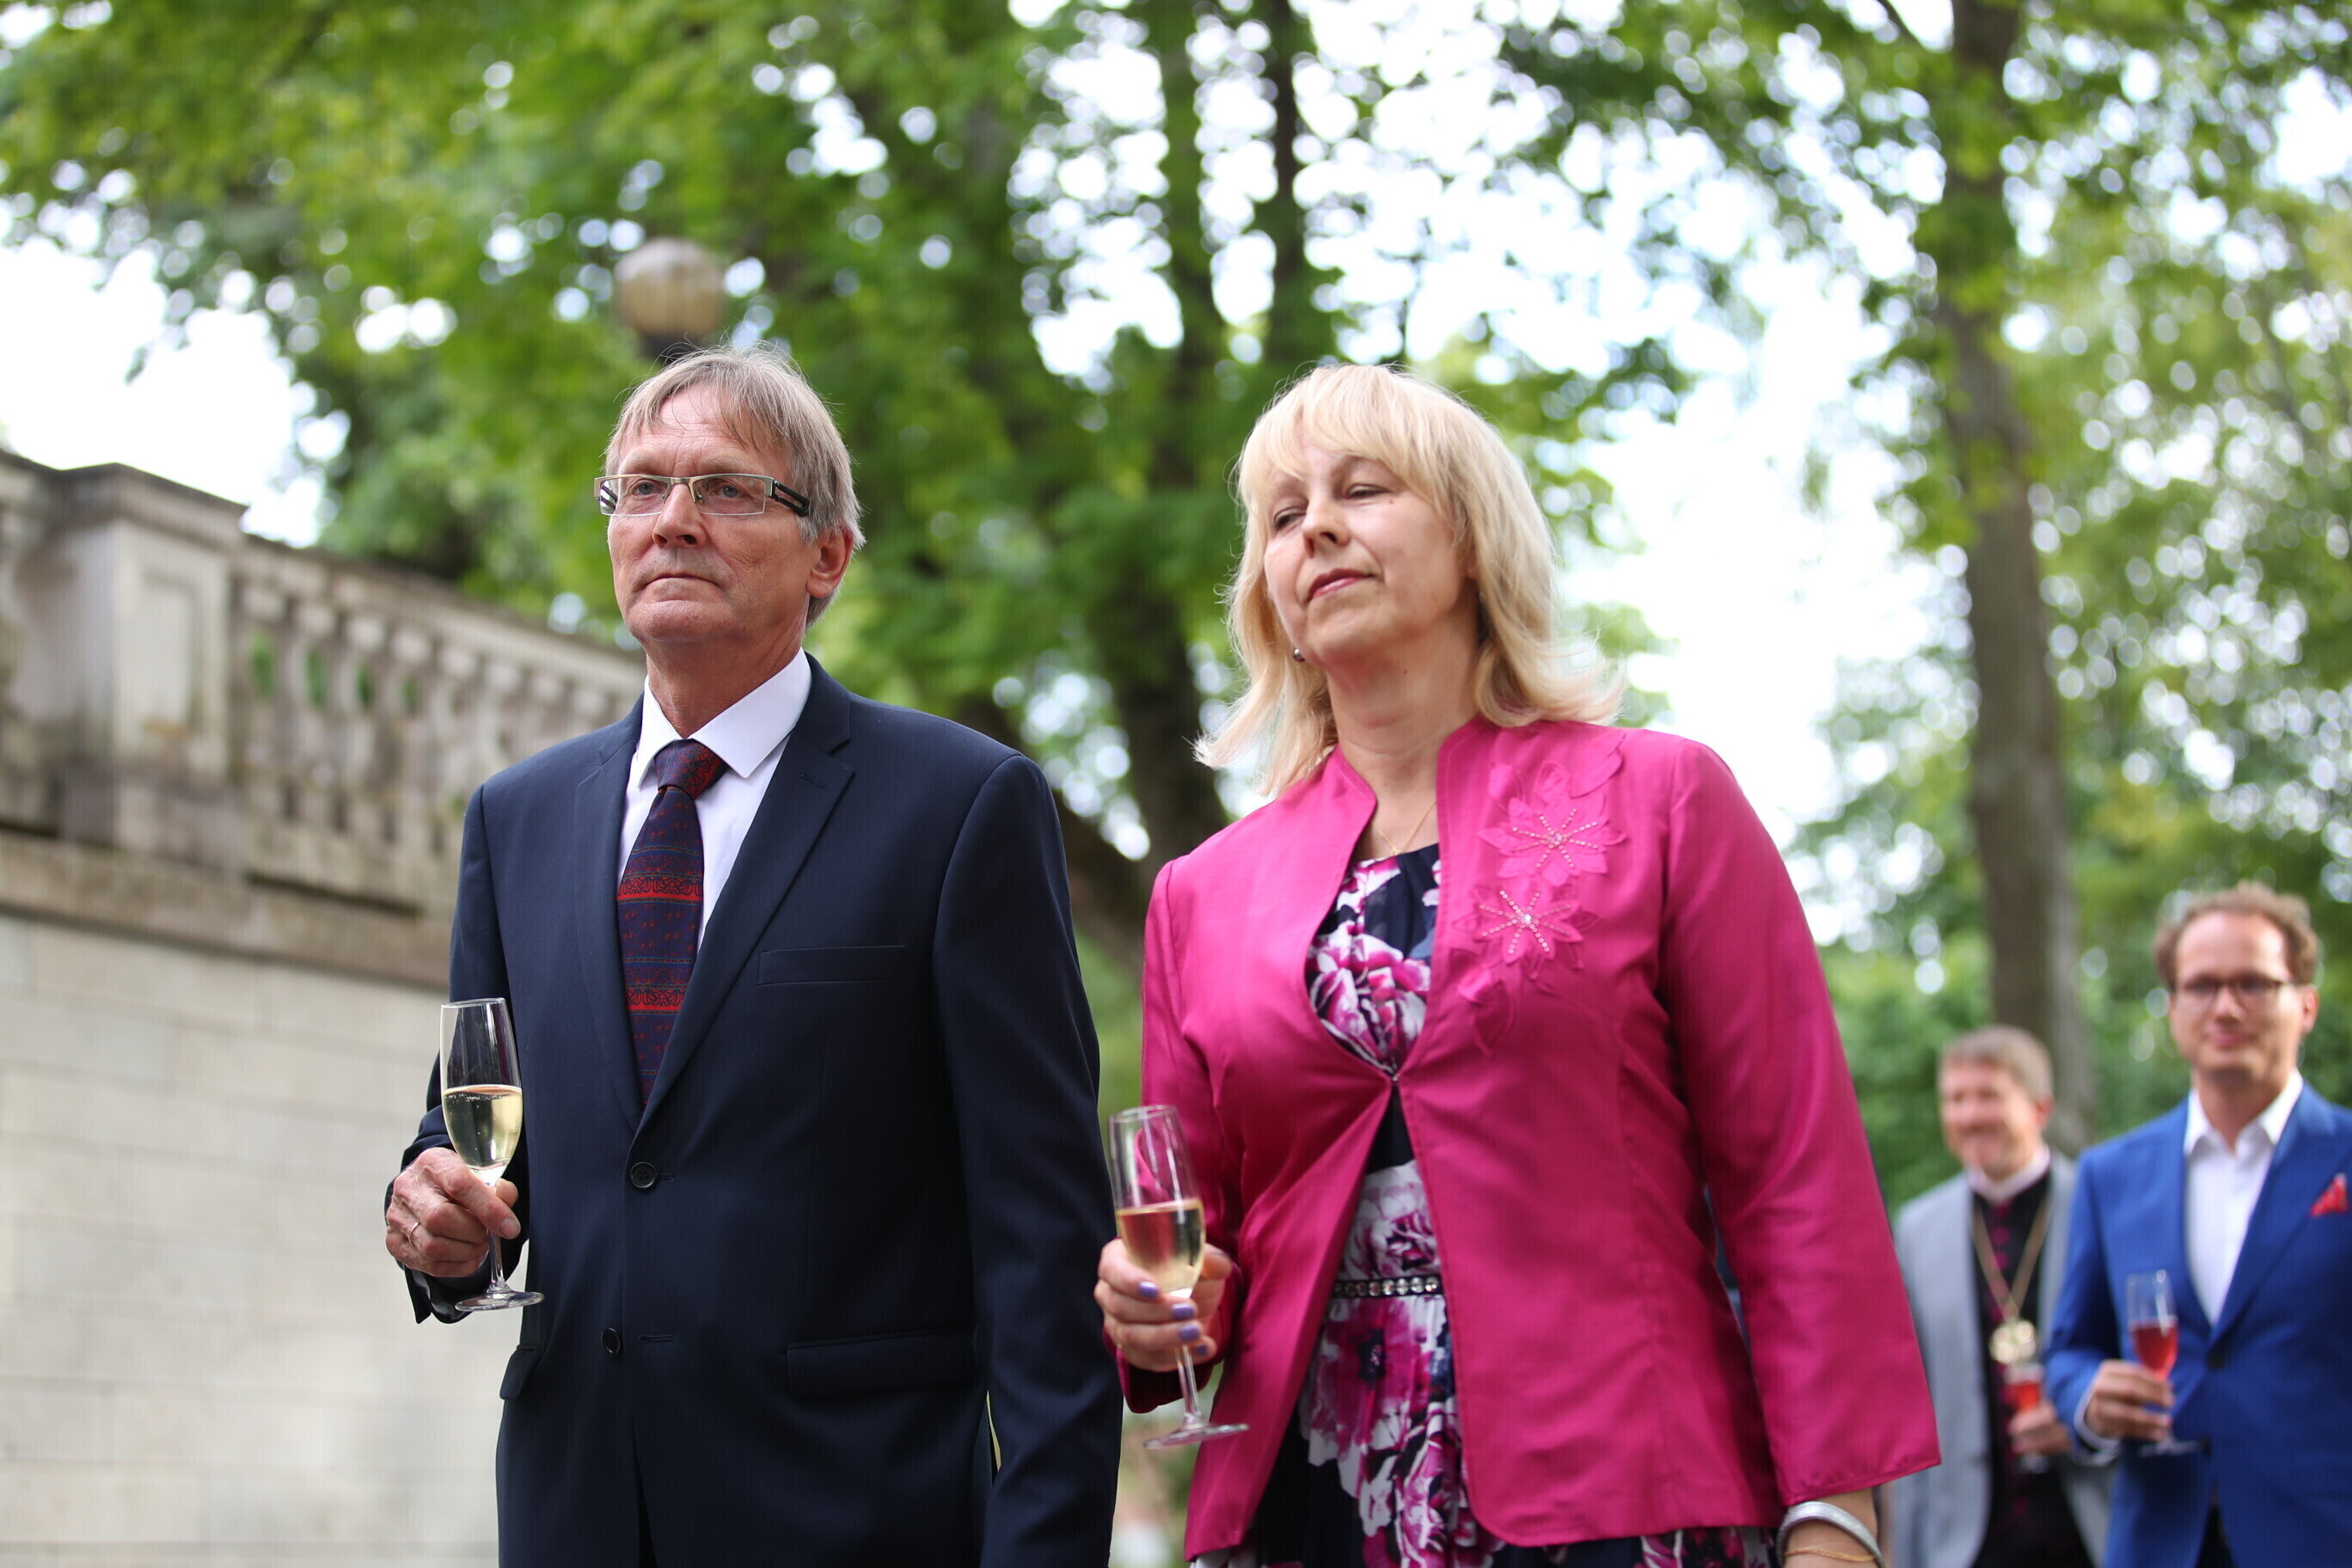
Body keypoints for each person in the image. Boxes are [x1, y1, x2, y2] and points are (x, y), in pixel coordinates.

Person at [1095, 364, 1936, 1568]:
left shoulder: (1661, 799)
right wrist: (1150, 1312)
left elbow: (1793, 1182)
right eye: (1283, 515)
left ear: (1473, 537)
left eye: (1362, 490)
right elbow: (1200, 1250)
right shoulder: (1200, 894)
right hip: (1307, 1515)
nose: (1316, 526)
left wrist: (1839, 1513)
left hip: (1629, 1502)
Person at [381, 346, 1121, 1566]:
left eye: (726, 489)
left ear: (828, 554)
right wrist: (439, 1227)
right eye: (641, 488)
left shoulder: (961, 807)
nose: (673, 521)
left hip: (860, 1523)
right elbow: (475, 1139)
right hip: (576, 1517)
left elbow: (1043, 1252)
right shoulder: (516, 819)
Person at [2046, 884, 2345, 1568]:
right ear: (2173, 1006)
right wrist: (2088, 1397)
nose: (2226, 1007)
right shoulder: (2110, 1174)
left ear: (2306, 1005)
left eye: (2253, 984)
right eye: (2202, 986)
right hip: (2161, 1541)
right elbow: (2070, 1349)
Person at [1890, 1027, 2111, 1568]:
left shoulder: (2099, 1204)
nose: (1969, 1116)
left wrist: (2086, 1419)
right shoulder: (1918, 1228)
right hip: (1965, 1543)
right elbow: (1911, 1402)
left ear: (2040, 1107)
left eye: (1988, 1096)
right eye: (1955, 1099)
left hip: (2090, 1528)